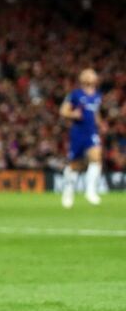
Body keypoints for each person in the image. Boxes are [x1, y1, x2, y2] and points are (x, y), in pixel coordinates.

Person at [59, 68, 104, 208]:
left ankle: (90, 191)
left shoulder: (97, 95)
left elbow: (95, 113)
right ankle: (68, 191)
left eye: (94, 74)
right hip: (78, 133)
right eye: (90, 74)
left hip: (91, 132)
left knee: (96, 157)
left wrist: (100, 123)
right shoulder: (75, 94)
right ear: (83, 78)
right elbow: (63, 111)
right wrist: (73, 115)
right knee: (75, 165)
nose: (93, 76)